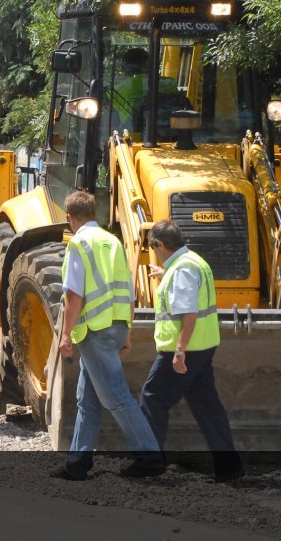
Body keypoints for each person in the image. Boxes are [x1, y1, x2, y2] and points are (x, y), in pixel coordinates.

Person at [51, 190, 165, 481]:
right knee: (87, 399)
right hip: (113, 326)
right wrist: (126, 330)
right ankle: (77, 463)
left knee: (116, 396)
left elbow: (74, 295)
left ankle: (149, 458)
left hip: (94, 330)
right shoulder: (113, 241)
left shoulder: (78, 243)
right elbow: (128, 290)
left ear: (70, 218)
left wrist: (65, 335)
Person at [140, 219, 244, 483]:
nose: (153, 250)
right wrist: (166, 275)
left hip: (185, 349)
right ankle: (229, 467)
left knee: (152, 399)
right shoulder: (193, 262)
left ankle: (149, 464)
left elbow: (189, 312)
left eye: (153, 246)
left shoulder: (182, 270)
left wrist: (179, 350)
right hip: (204, 345)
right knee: (207, 406)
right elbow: (192, 292)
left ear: (160, 245)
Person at [112, 48, 185, 132]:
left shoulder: (120, 88)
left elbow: (112, 120)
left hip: (136, 136)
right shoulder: (170, 83)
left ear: (128, 66)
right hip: (175, 133)